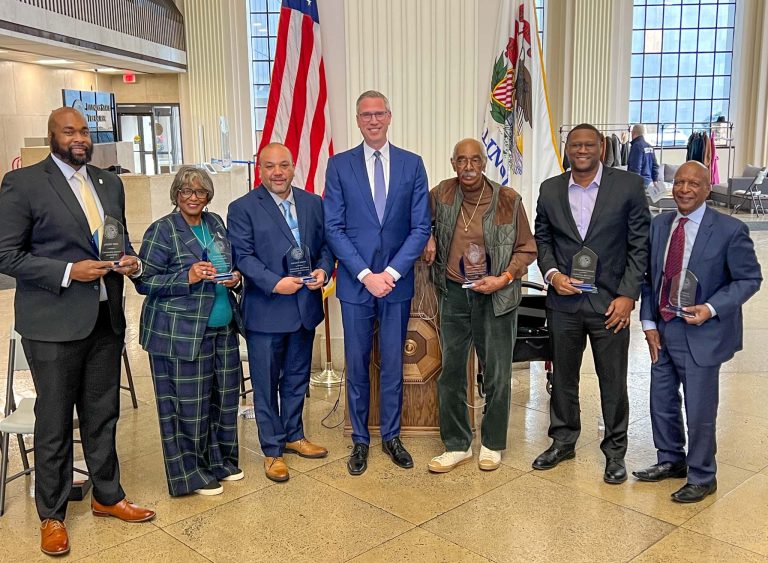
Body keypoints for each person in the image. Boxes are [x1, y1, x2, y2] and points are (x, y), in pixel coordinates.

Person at [0, 107, 155, 557]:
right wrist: (68, 271)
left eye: (84, 131)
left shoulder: (110, 183)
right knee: (54, 422)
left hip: (105, 320)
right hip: (52, 324)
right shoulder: (23, 184)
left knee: (102, 413)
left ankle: (109, 496)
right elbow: (7, 256)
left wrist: (130, 260)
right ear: (51, 136)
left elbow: (117, 240)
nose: (79, 138)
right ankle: (52, 514)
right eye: (69, 131)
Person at [634, 161, 761, 503]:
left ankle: (703, 475)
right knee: (661, 400)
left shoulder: (730, 230)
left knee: (700, 408)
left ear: (707, 188)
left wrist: (711, 308)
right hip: (664, 327)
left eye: (694, 184)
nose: (685, 189)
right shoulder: (660, 225)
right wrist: (648, 323)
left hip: (702, 331)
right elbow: (649, 279)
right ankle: (670, 460)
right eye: (679, 182)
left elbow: (749, 279)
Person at [532, 123, 651, 484]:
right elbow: (543, 237)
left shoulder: (627, 186)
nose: (581, 151)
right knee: (563, 378)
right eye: (574, 145)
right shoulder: (550, 189)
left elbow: (639, 245)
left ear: (601, 147)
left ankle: (615, 453)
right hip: (563, 303)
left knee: (612, 381)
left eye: (588, 144)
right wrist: (552, 274)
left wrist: (628, 295)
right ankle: (563, 440)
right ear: (567, 149)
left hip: (610, 304)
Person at [324, 90, 431, 476]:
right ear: (357, 120)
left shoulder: (412, 164)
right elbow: (333, 228)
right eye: (365, 115)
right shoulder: (339, 166)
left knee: (392, 365)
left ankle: (391, 436)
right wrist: (367, 275)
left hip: (396, 285)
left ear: (390, 116)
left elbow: (421, 227)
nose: (373, 120)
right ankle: (359, 440)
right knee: (356, 363)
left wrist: (391, 273)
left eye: (379, 113)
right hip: (356, 286)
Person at [422, 139, 536, 473]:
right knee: (452, 373)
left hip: (496, 296)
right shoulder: (441, 194)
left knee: (498, 373)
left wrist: (504, 277)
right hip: (454, 293)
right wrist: (428, 235)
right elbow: (419, 224)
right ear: (452, 163)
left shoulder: (508, 200)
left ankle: (491, 444)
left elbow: (527, 249)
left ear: (485, 163)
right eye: (461, 160)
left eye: (475, 160)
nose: (468, 166)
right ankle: (457, 445)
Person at [135, 166, 244, 497]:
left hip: (222, 327)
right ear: (176, 195)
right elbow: (144, 281)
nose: (193, 197)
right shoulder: (162, 230)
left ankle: (220, 462)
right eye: (186, 192)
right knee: (188, 407)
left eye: (200, 192)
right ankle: (190, 475)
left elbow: (228, 264)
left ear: (209, 195)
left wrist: (236, 277)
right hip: (179, 333)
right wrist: (187, 277)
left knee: (222, 400)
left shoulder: (216, 224)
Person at [228, 143, 333, 482]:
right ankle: (272, 450)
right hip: (267, 310)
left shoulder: (313, 203)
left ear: (292, 168)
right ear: (260, 169)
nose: (277, 172)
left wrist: (323, 271)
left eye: (284, 165)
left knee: (296, 379)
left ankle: (294, 435)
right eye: (270, 166)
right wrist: (275, 283)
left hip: (304, 309)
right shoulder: (242, 208)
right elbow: (243, 257)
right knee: (266, 383)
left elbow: (326, 248)